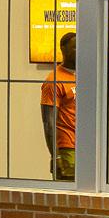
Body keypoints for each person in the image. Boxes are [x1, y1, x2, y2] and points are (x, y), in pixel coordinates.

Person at [40, 31, 75, 181]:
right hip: (67, 148)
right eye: (74, 48)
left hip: (87, 146)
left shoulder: (85, 75)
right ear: (63, 50)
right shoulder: (53, 81)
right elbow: (49, 122)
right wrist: (56, 155)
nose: (80, 51)